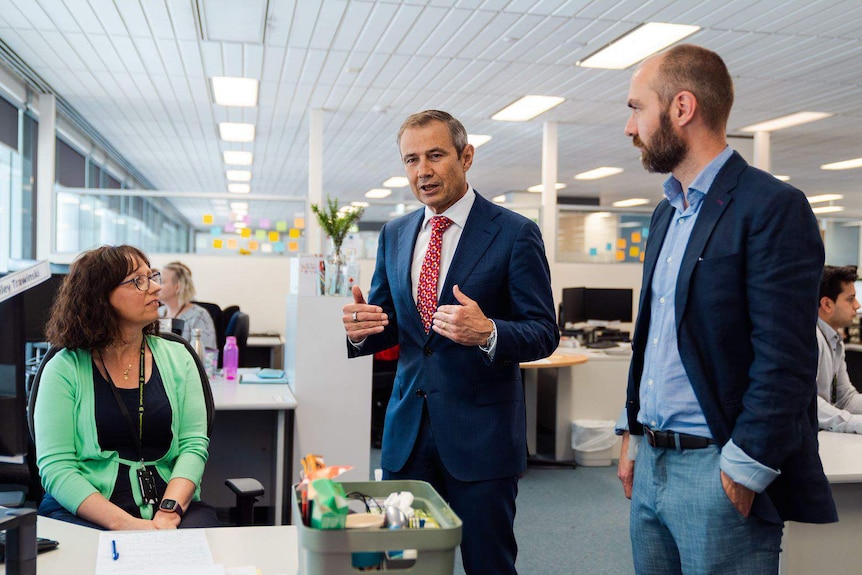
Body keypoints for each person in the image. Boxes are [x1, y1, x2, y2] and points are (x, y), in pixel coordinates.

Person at [616, 44, 836, 573]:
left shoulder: (771, 207)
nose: (629, 127)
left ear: (682, 108)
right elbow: (653, 337)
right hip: (652, 461)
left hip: (717, 467)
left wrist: (745, 467)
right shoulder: (667, 214)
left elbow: (785, 358)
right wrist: (630, 430)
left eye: (636, 108)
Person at [342, 110, 558, 575]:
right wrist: (362, 331)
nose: (423, 171)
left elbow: (544, 331)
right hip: (405, 437)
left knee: (488, 564)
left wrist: (490, 332)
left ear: (466, 156)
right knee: (400, 565)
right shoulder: (395, 233)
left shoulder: (514, 232)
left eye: (436, 155)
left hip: (480, 439)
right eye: (411, 159)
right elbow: (392, 325)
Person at [35, 245, 218, 530]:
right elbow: (57, 468)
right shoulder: (64, 368)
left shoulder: (179, 357)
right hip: (86, 512)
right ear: (100, 297)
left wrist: (167, 514)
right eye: (138, 281)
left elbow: (194, 446)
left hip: (170, 507)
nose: (155, 288)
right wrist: (128, 526)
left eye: (153, 276)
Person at [816, 265, 862, 433]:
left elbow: (845, 399)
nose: (857, 305)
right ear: (827, 304)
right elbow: (809, 404)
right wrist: (854, 423)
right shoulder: (810, 339)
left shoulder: (835, 341)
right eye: (850, 299)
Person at [157, 261, 217, 349]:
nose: (157, 286)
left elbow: (207, 355)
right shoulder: (157, 312)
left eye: (161, 282)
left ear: (178, 286)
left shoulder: (198, 316)